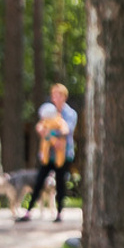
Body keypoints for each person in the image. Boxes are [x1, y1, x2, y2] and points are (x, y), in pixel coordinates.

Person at [24, 93, 73, 222]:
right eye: (53, 96)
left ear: (64, 97)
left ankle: (59, 213)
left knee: (60, 184)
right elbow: (40, 127)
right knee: (39, 181)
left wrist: (51, 134)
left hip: (61, 156)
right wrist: (47, 134)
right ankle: (28, 211)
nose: (54, 99)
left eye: (57, 96)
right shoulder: (46, 118)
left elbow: (67, 130)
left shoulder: (68, 114)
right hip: (47, 157)